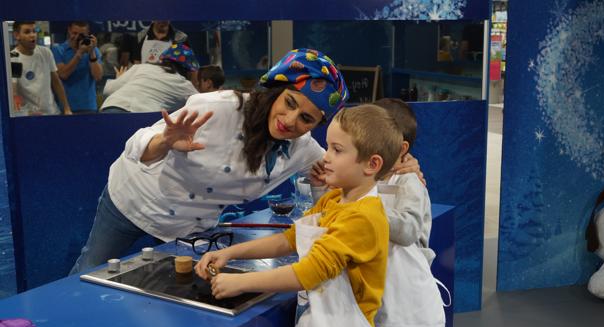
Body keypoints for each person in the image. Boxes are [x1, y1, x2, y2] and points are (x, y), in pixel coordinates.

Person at [69, 48, 421, 274]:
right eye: (290, 102)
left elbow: (350, 167)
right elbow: (136, 146)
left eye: (307, 119)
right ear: (275, 90)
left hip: (187, 228)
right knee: (86, 276)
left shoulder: (302, 148)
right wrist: (165, 141)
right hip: (132, 202)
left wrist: (400, 167)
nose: (291, 121)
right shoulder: (218, 108)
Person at [195, 104, 403, 327]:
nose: (325, 156)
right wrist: (228, 253)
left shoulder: (363, 217)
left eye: (337, 150)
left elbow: (309, 273)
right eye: (327, 147)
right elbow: (290, 240)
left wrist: (241, 282)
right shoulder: (333, 199)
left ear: (372, 164)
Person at [372, 98, 446, 327]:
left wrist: (363, 210)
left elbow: (408, 230)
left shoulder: (409, 182)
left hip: (408, 302)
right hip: (378, 295)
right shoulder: (364, 176)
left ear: (401, 147)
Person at [100, 43, 199, 113]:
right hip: (139, 115)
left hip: (110, 107)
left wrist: (119, 79)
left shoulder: (142, 67)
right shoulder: (184, 85)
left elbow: (108, 90)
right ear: (188, 69)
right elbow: (202, 104)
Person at [10, 21, 71, 116]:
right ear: (17, 35)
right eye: (27, 32)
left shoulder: (46, 52)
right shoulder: (13, 58)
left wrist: (67, 108)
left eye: (34, 31)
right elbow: (14, 91)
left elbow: (56, 82)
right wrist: (24, 113)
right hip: (30, 117)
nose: (32, 35)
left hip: (53, 113)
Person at [52, 21, 103, 113]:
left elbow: (98, 76)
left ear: (88, 34)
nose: (77, 37)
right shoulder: (58, 50)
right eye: (74, 33)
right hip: (67, 108)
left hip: (89, 107)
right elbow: (63, 74)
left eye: (81, 35)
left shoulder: (94, 51)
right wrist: (79, 53)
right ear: (69, 30)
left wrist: (91, 52)